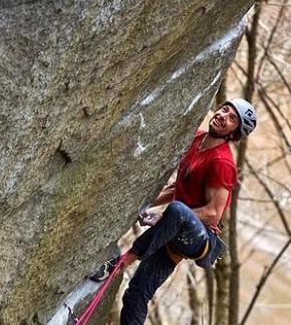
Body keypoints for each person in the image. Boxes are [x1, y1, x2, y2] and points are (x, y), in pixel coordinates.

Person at [90, 98, 257, 325]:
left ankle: (121, 263)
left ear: (234, 133)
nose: (223, 116)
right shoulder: (197, 139)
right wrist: (145, 205)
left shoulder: (222, 163)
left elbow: (213, 213)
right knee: (136, 295)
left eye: (232, 119)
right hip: (172, 236)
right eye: (224, 110)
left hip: (198, 237)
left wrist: (164, 215)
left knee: (176, 210)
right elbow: (177, 186)